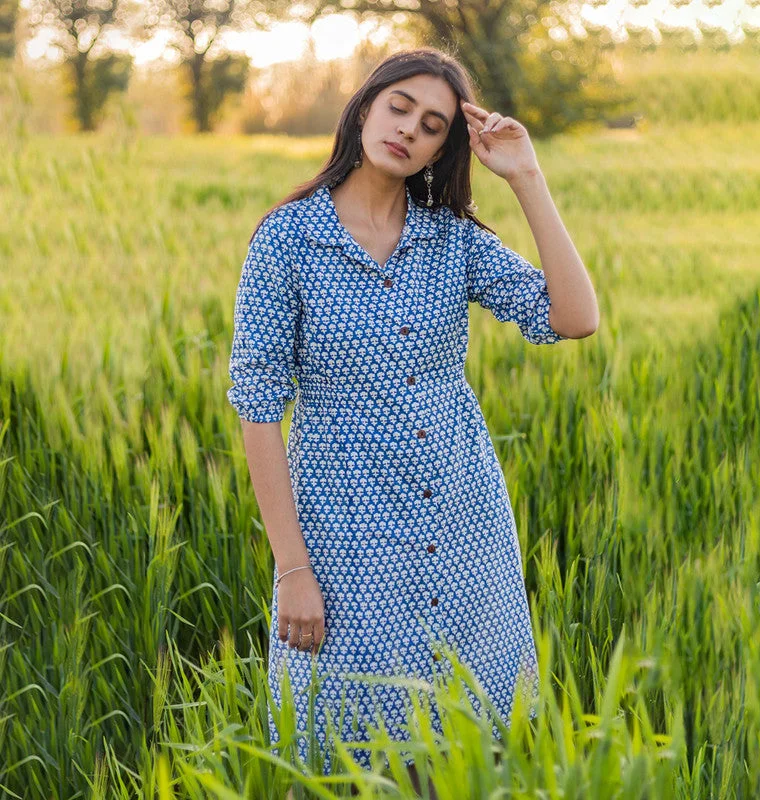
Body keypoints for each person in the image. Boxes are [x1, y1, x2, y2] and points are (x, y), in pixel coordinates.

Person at [226, 46, 599, 788]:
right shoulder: (288, 240)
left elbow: (574, 317)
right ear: (366, 107)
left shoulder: (451, 239)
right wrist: (292, 568)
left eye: (432, 125)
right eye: (399, 107)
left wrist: (526, 177)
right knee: (348, 740)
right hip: (345, 532)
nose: (409, 130)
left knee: (470, 742)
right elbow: (258, 405)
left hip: (462, 527)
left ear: (443, 147)